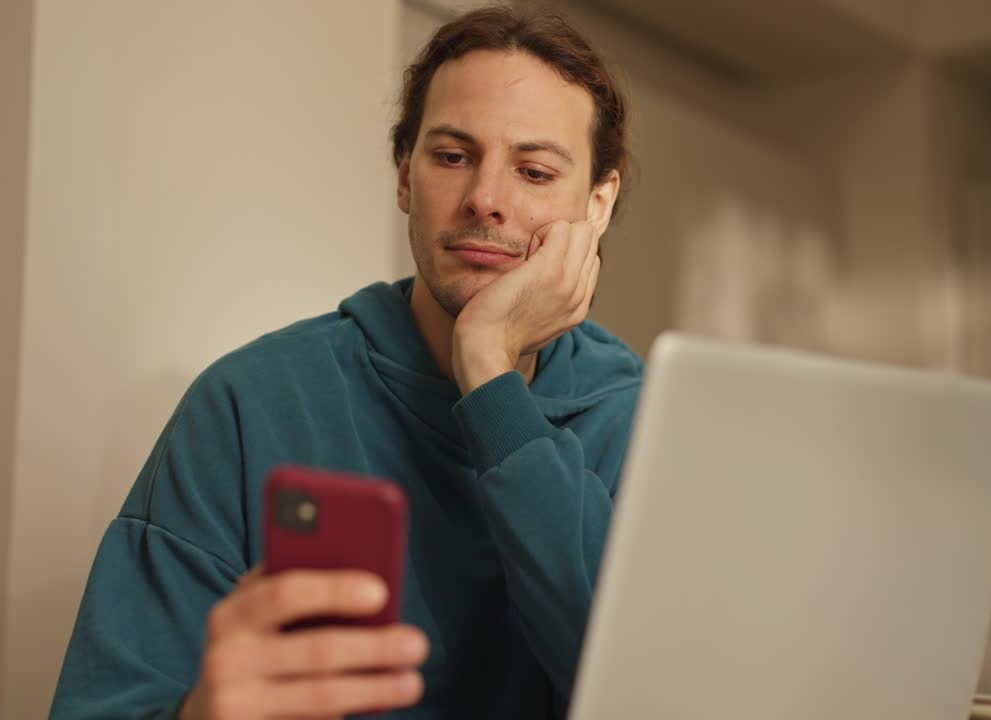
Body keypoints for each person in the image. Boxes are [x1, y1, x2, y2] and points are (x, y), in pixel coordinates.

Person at [50, 7, 640, 719]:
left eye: (535, 170)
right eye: (452, 157)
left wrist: (489, 369)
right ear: (403, 177)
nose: (486, 199)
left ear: (597, 205)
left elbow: (642, 692)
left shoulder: (644, 425)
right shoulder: (247, 404)